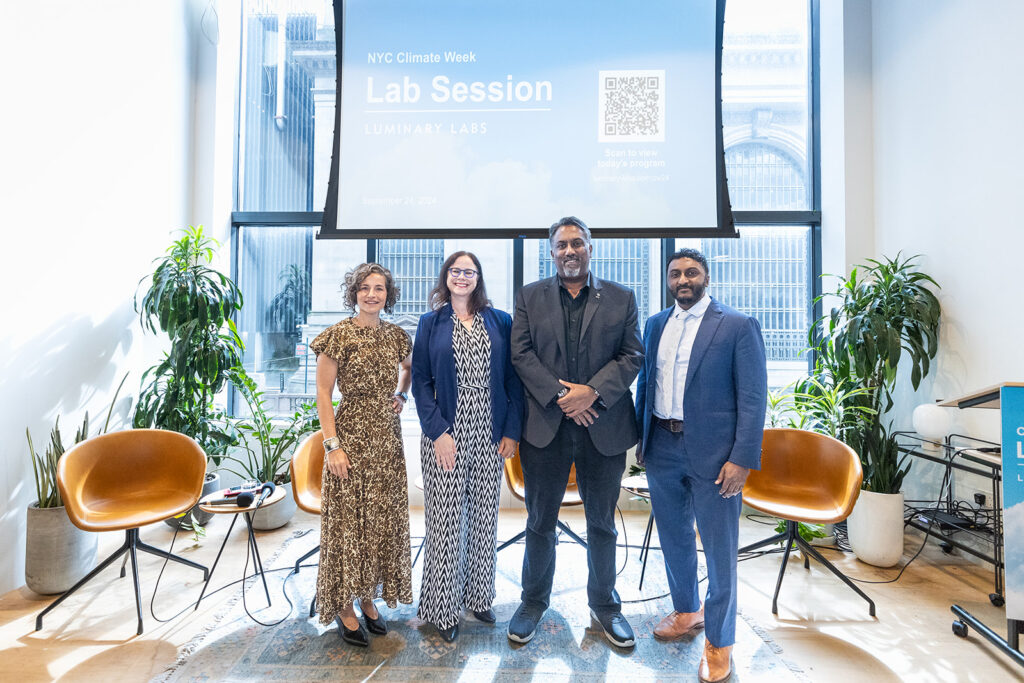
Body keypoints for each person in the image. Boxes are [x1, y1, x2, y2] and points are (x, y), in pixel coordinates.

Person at [507, 216, 644, 648]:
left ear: (590, 248)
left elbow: (632, 354)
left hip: (602, 427)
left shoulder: (621, 297)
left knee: (602, 524)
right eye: (562, 245)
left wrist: (592, 395)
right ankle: (532, 602)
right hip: (546, 427)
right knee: (539, 521)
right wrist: (564, 397)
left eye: (578, 244)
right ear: (551, 251)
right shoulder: (529, 297)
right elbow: (521, 354)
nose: (570, 251)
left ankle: (605, 606)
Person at [635, 248, 767, 683]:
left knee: (720, 548)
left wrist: (742, 459)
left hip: (715, 457)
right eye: (675, 274)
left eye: (691, 272)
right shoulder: (656, 324)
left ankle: (720, 641)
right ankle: (688, 610)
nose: (683, 279)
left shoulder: (736, 325)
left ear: (706, 277)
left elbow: (752, 398)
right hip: (662, 446)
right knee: (673, 539)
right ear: (669, 280)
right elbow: (648, 387)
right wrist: (642, 439)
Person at [411, 251, 524, 642]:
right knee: (445, 522)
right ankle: (442, 610)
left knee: (483, 517)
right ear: (446, 277)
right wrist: (439, 432)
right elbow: (422, 383)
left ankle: (478, 597)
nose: (462, 277)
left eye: (469, 272)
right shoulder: (430, 323)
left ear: (479, 278)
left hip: (491, 427)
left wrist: (511, 430)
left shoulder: (500, 321)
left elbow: (513, 380)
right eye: (456, 271)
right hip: (447, 429)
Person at [310, 262, 414, 647]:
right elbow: (322, 395)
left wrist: (401, 394)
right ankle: (342, 605)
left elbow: (409, 368)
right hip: (349, 435)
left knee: (378, 522)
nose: (372, 294)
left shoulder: (397, 336)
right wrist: (332, 446)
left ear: (389, 295)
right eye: (365, 288)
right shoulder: (337, 336)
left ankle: (368, 597)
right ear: (353, 293)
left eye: (380, 288)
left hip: (387, 439)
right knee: (347, 525)